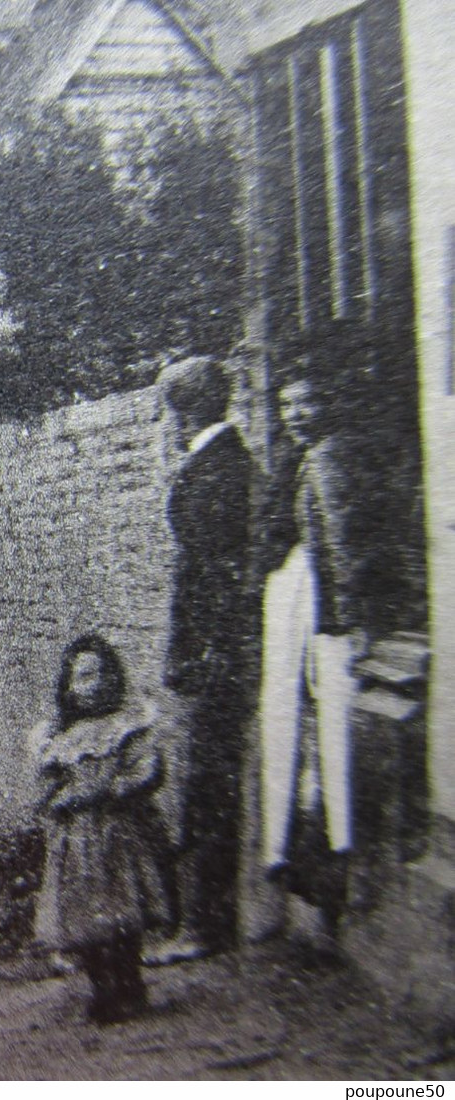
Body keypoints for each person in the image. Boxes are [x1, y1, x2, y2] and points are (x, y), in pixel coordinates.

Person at [149, 357, 255, 965]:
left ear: (183, 410)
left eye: (170, 409)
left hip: (220, 655)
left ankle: (206, 927)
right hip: (219, 650)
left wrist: (197, 654)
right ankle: (204, 921)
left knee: (208, 789)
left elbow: (208, 577)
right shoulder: (223, 461)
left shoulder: (215, 470)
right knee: (207, 786)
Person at [257, 373, 367, 925]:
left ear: (331, 401)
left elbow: (341, 542)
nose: (296, 413)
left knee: (325, 724)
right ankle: (306, 852)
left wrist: (350, 614)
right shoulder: (297, 458)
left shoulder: (328, 458)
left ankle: (331, 852)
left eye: (308, 400)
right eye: (286, 404)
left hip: (324, 608)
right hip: (304, 598)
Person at [35, 634, 171, 1024]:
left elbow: (148, 770)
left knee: (123, 914)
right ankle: (102, 989)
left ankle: (130, 981)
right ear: (69, 686)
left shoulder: (126, 727)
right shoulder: (60, 740)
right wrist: (59, 798)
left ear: (111, 679)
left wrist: (118, 787)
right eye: (80, 677)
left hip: (117, 836)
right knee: (85, 920)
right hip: (77, 843)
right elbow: (49, 786)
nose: (89, 685)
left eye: (97, 675)